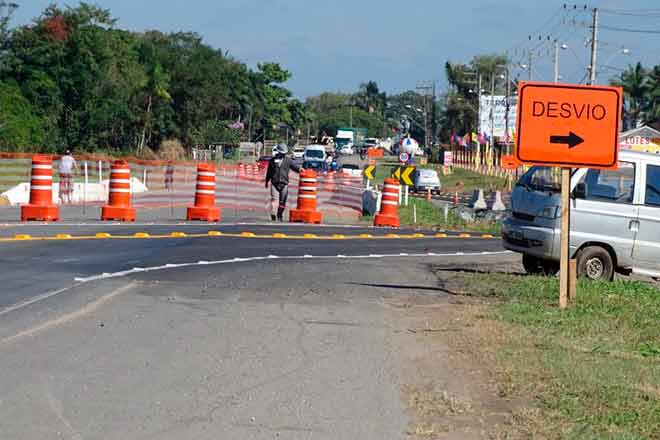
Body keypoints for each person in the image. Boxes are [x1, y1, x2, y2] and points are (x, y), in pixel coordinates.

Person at [265, 144, 300, 221]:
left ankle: (280, 215)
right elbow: (269, 172)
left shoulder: (288, 160)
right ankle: (273, 214)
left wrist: (301, 170)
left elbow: (295, 168)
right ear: (278, 151)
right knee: (274, 200)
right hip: (274, 183)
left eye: (284, 153)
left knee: (282, 202)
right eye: (281, 153)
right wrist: (266, 181)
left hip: (284, 184)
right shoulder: (272, 161)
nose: (283, 154)